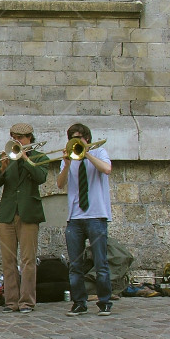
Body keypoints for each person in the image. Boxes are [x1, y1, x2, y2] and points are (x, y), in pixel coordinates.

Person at [56, 123, 113, 317]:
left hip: (97, 216)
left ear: (87, 138)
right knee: (75, 265)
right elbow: (60, 184)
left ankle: (104, 302)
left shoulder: (100, 152)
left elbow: (106, 169)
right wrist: (68, 162)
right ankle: (79, 302)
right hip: (75, 218)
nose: (76, 140)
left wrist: (86, 154)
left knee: (101, 262)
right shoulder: (68, 159)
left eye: (79, 137)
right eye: (72, 137)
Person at [0, 123, 48, 314]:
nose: (18, 141)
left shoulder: (40, 157)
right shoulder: (6, 157)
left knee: (28, 260)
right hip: (7, 213)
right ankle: (11, 301)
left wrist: (24, 159)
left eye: (21, 138)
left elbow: (40, 177)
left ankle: (27, 302)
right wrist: (3, 167)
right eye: (14, 138)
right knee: (8, 259)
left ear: (30, 138)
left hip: (28, 212)